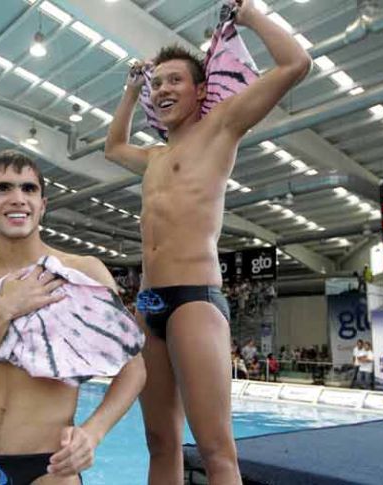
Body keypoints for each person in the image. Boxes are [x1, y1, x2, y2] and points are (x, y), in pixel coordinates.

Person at [104, 1, 311, 482]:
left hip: (194, 300)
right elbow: (113, 147)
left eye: (174, 80)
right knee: (160, 444)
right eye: (159, 83)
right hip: (147, 304)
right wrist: (132, 91)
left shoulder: (221, 128)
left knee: (217, 451)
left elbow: (296, 64)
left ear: (202, 91)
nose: (164, 89)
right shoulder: (155, 156)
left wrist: (251, 15)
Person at [0, 152, 147, 485]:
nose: (18, 199)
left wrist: (93, 432)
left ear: (42, 204)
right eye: (2, 188)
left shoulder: (81, 271)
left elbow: (135, 369)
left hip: (50, 469)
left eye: (28, 189)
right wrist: (1, 311)